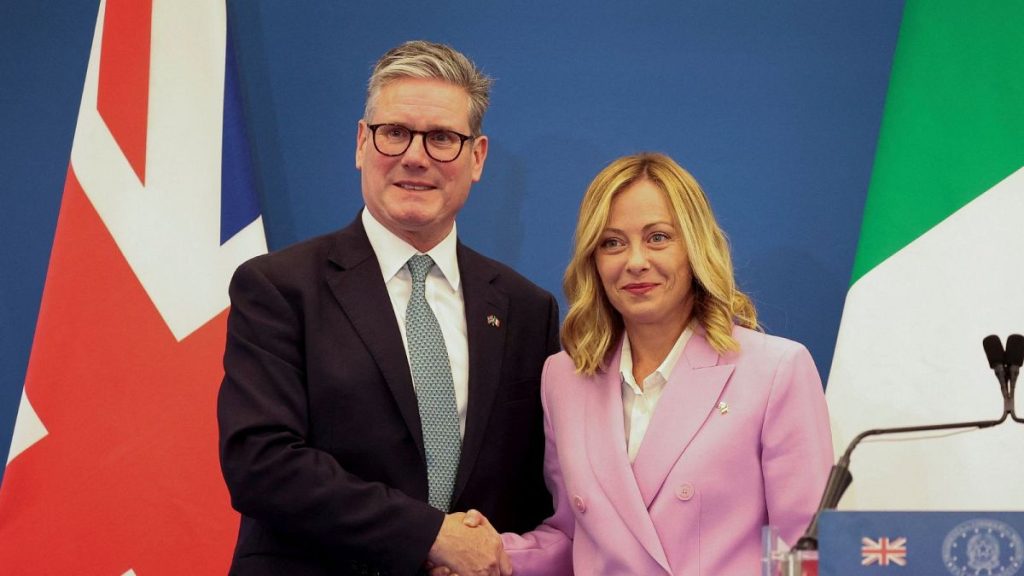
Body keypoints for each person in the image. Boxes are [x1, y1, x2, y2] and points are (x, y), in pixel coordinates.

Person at [217, 40, 559, 576]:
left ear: (477, 158)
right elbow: (261, 462)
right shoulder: (278, 288)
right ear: (361, 143)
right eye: (395, 132)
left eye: (443, 138)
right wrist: (429, 537)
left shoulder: (526, 309)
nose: (416, 157)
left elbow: (536, 488)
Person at [458, 152, 833, 575]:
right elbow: (573, 536)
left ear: (695, 247)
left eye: (657, 237)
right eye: (612, 242)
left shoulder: (776, 370)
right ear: (593, 261)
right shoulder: (563, 379)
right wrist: (487, 556)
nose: (635, 261)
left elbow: (805, 552)